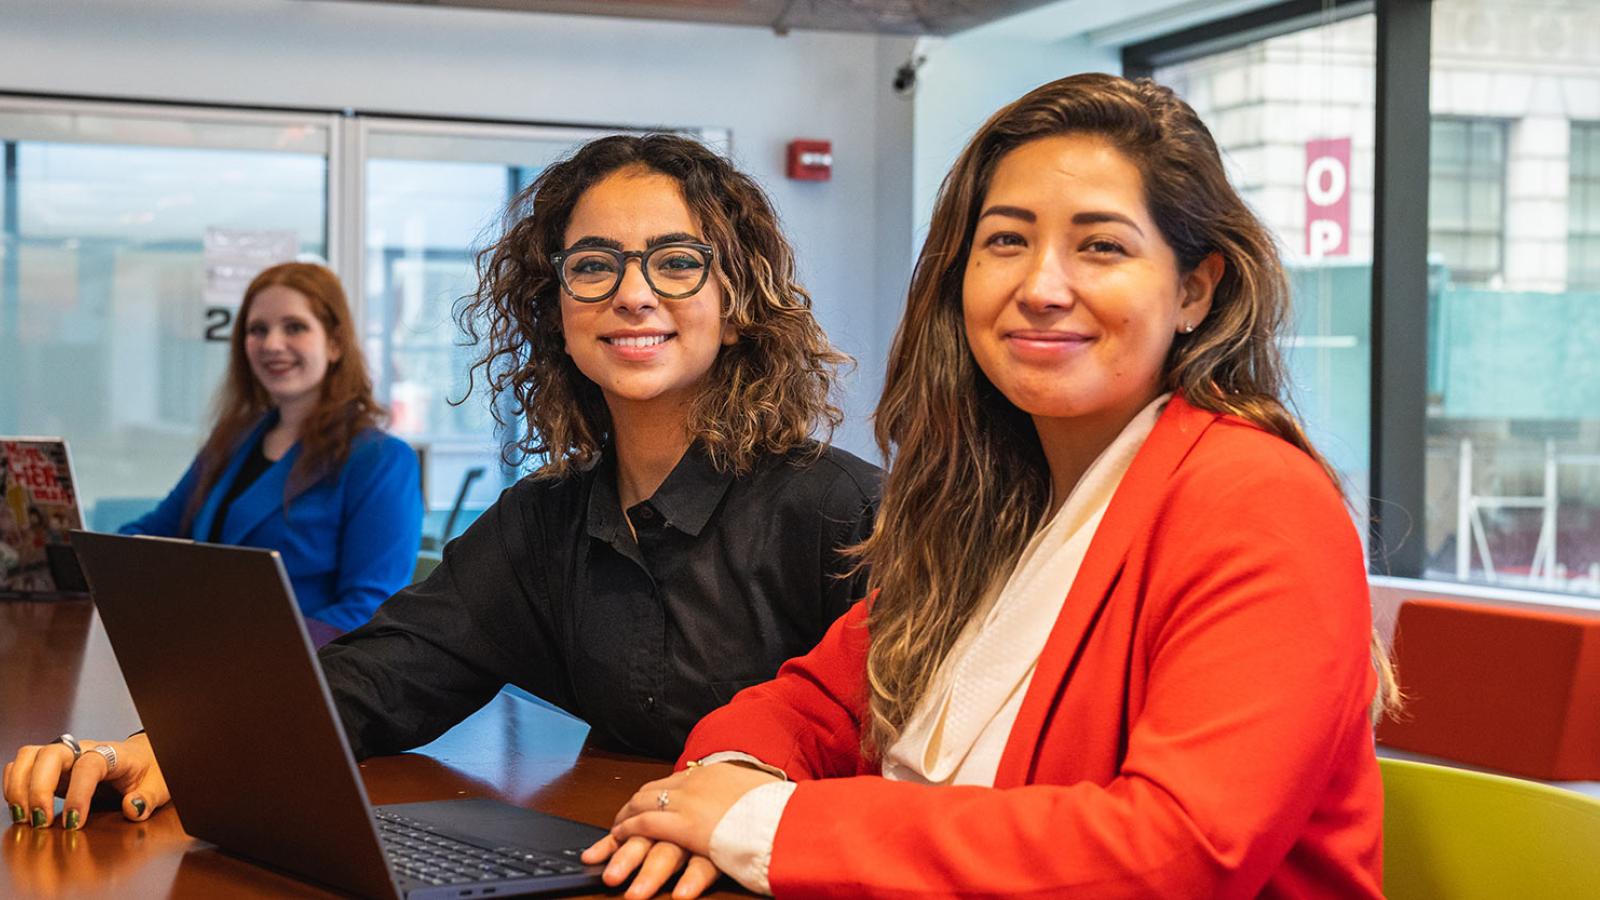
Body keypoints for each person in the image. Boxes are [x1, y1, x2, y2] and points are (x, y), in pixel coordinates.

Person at [587, 73, 1400, 900]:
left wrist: (764, 824)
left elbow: (1173, 853)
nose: (1041, 288)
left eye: (1102, 246)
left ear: (1195, 289)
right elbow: (813, 706)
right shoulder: (996, 503)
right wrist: (727, 779)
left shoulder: (1258, 500)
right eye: (1006, 241)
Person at [5, 134, 879, 832]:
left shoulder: (845, 511)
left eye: (678, 261)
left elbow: (927, 765)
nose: (633, 294)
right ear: (556, 312)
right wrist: (162, 747)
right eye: (593, 264)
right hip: (615, 858)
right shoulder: (541, 524)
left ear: (738, 306)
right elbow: (380, 675)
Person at [117, 261, 423, 646]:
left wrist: (253, 643)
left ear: (334, 343)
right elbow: (150, 533)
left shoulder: (381, 460)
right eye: (257, 330)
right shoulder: (231, 442)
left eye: (294, 327)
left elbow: (371, 606)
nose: (272, 344)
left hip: (305, 677)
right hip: (198, 659)